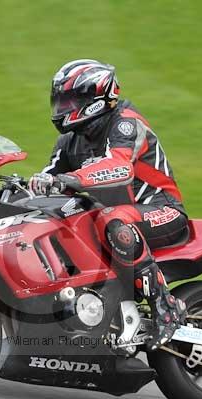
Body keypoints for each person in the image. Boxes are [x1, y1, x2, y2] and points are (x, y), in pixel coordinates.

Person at [29, 59, 188, 350]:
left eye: (70, 100)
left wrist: (70, 179)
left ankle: (166, 308)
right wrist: (29, 187)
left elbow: (119, 167)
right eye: (60, 100)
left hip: (161, 209)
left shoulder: (126, 123)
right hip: (112, 218)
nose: (62, 108)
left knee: (115, 220)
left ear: (94, 97)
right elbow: (50, 177)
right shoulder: (69, 141)